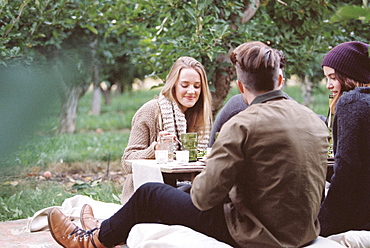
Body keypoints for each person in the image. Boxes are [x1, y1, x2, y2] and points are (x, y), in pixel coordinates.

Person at [47, 42, 329, 248]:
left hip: (255, 232)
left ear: (241, 88)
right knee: (178, 191)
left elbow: (204, 199)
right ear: (280, 80)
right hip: (302, 231)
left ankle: (88, 242)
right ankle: (113, 230)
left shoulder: (242, 124)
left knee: (149, 195)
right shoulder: (314, 120)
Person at [120, 56, 212, 203]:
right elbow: (127, 161)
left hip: (183, 188)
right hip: (147, 193)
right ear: (173, 85)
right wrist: (156, 149)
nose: (191, 91)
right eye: (185, 85)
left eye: (197, 86)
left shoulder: (201, 118)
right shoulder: (151, 111)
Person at [318, 41, 370, 237]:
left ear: (351, 76)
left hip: (359, 221)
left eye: (333, 77)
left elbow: (348, 170)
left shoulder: (352, 103)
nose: (328, 85)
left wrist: (321, 226)